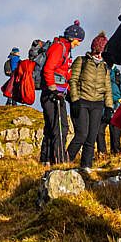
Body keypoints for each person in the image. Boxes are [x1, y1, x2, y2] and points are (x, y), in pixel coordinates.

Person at [39, 21, 85, 165]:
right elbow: (48, 68)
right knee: (60, 128)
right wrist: (53, 89)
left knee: (51, 127)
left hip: (56, 93)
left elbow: (63, 73)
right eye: (78, 40)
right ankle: (58, 161)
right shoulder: (59, 48)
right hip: (52, 94)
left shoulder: (63, 48)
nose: (78, 44)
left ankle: (45, 160)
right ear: (72, 37)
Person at [67, 32, 114, 169]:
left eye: (102, 53)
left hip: (98, 104)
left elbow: (107, 88)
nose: (99, 55)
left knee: (92, 137)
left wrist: (109, 107)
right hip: (82, 102)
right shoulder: (81, 61)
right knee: (81, 134)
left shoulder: (104, 67)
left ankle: (86, 166)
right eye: (97, 52)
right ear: (93, 50)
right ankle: (66, 160)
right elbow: (73, 80)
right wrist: (75, 100)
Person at [98, 64, 121, 155]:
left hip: (116, 105)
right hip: (102, 105)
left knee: (114, 131)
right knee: (99, 130)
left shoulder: (119, 77)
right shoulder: (99, 74)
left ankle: (115, 152)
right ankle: (103, 153)